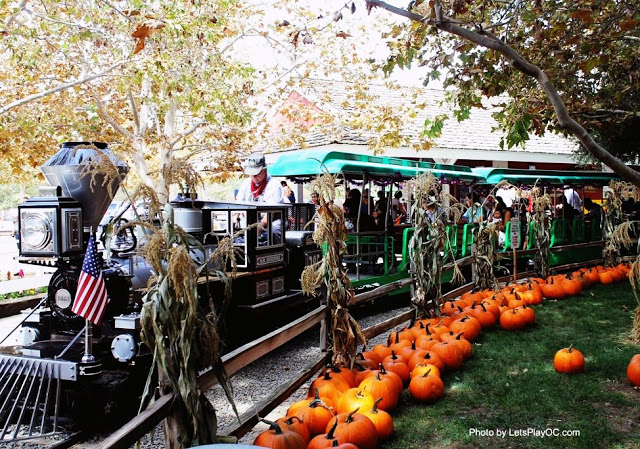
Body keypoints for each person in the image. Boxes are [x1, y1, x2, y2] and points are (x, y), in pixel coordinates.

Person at [236, 153, 285, 243]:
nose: (254, 177)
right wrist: (235, 218)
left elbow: (271, 212)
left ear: (264, 171)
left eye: (256, 174)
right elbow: (238, 204)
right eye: (251, 174)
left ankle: (275, 254)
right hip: (251, 220)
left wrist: (259, 228)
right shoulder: (246, 184)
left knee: (272, 231)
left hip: (272, 219)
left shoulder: (273, 185)